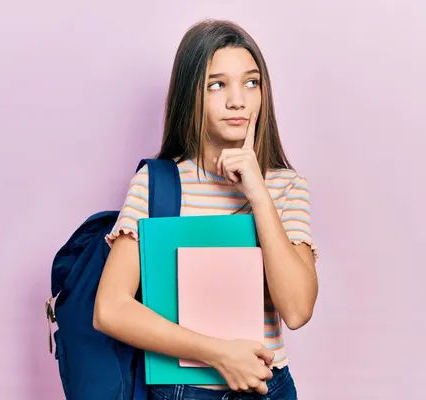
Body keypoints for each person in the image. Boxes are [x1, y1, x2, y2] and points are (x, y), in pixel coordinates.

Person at [93, 19, 319, 400]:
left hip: (269, 387)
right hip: (185, 390)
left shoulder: (285, 186)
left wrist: (259, 194)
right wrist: (219, 354)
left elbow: (296, 311)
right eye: (217, 85)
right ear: (189, 95)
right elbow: (110, 309)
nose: (238, 100)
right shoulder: (158, 184)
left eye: (251, 82)